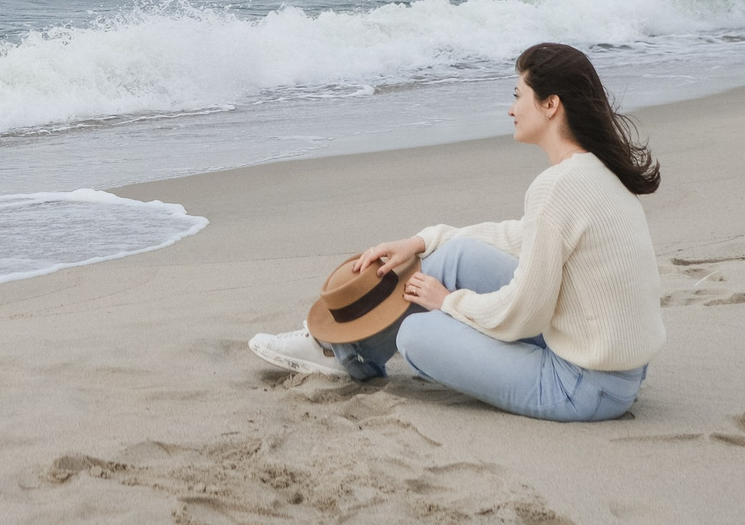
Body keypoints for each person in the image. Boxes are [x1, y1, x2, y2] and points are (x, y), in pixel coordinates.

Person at [248, 42, 665, 423]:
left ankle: (345, 354)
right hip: (614, 364)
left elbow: (525, 312)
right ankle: (343, 352)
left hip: (583, 385)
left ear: (551, 104)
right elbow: (520, 236)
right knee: (456, 256)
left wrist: (449, 302)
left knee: (415, 333)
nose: (511, 109)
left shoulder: (556, 187)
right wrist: (422, 242)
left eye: (517, 95)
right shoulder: (595, 171)